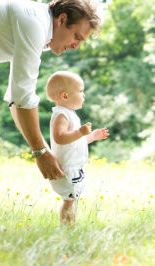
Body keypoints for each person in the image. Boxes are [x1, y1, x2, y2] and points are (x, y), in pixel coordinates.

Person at [0, 0, 101, 221]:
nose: (76, 46)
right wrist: (40, 152)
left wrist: (42, 150)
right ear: (62, 20)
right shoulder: (33, 23)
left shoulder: (38, 30)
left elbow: (16, 100)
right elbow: (23, 97)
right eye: (77, 37)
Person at [46, 71, 109, 225]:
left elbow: (74, 142)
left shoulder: (70, 114)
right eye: (80, 91)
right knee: (69, 201)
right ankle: (67, 229)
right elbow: (59, 137)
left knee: (72, 201)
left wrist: (91, 137)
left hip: (75, 167)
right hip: (66, 169)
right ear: (65, 96)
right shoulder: (62, 115)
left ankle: (69, 227)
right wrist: (80, 132)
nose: (84, 95)